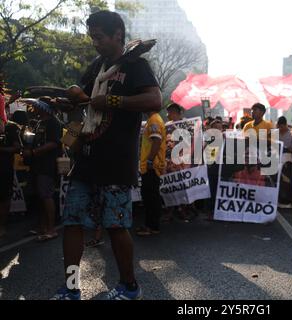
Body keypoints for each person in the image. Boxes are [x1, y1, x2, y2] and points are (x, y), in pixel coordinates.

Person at [52, 10, 162, 300]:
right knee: (73, 223)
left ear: (117, 35)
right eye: (92, 37)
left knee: (116, 227)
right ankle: (72, 288)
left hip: (116, 163)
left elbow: (155, 100)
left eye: (98, 37)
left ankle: (129, 286)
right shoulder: (96, 67)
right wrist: (69, 99)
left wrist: (113, 99)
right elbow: (83, 105)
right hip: (86, 162)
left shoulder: (136, 65)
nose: (94, 43)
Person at [22, 100, 62, 242]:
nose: (34, 108)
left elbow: (53, 143)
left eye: (37, 106)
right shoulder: (39, 122)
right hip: (37, 164)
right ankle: (42, 226)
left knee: (46, 195)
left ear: (44, 108)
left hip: (47, 165)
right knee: (40, 195)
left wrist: (33, 152)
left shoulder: (53, 123)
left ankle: (51, 229)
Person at [136, 111, 166, 236]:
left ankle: (152, 226)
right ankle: (151, 225)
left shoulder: (154, 120)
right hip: (151, 165)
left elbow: (157, 141)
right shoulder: (153, 119)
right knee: (149, 196)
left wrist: (149, 160)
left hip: (152, 166)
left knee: (150, 197)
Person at [0, 102, 21, 238]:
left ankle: (2, 226)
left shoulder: (11, 127)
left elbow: (17, 147)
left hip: (4, 169)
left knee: (3, 198)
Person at [277, 116, 292, 209]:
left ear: (285, 125)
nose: (280, 129)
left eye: (282, 126)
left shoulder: (291, 134)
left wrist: (290, 149)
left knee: (288, 180)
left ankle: (290, 199)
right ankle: (281, 198)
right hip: (278, 159)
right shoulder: (276, 133)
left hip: (289, 160)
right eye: (279, 126)